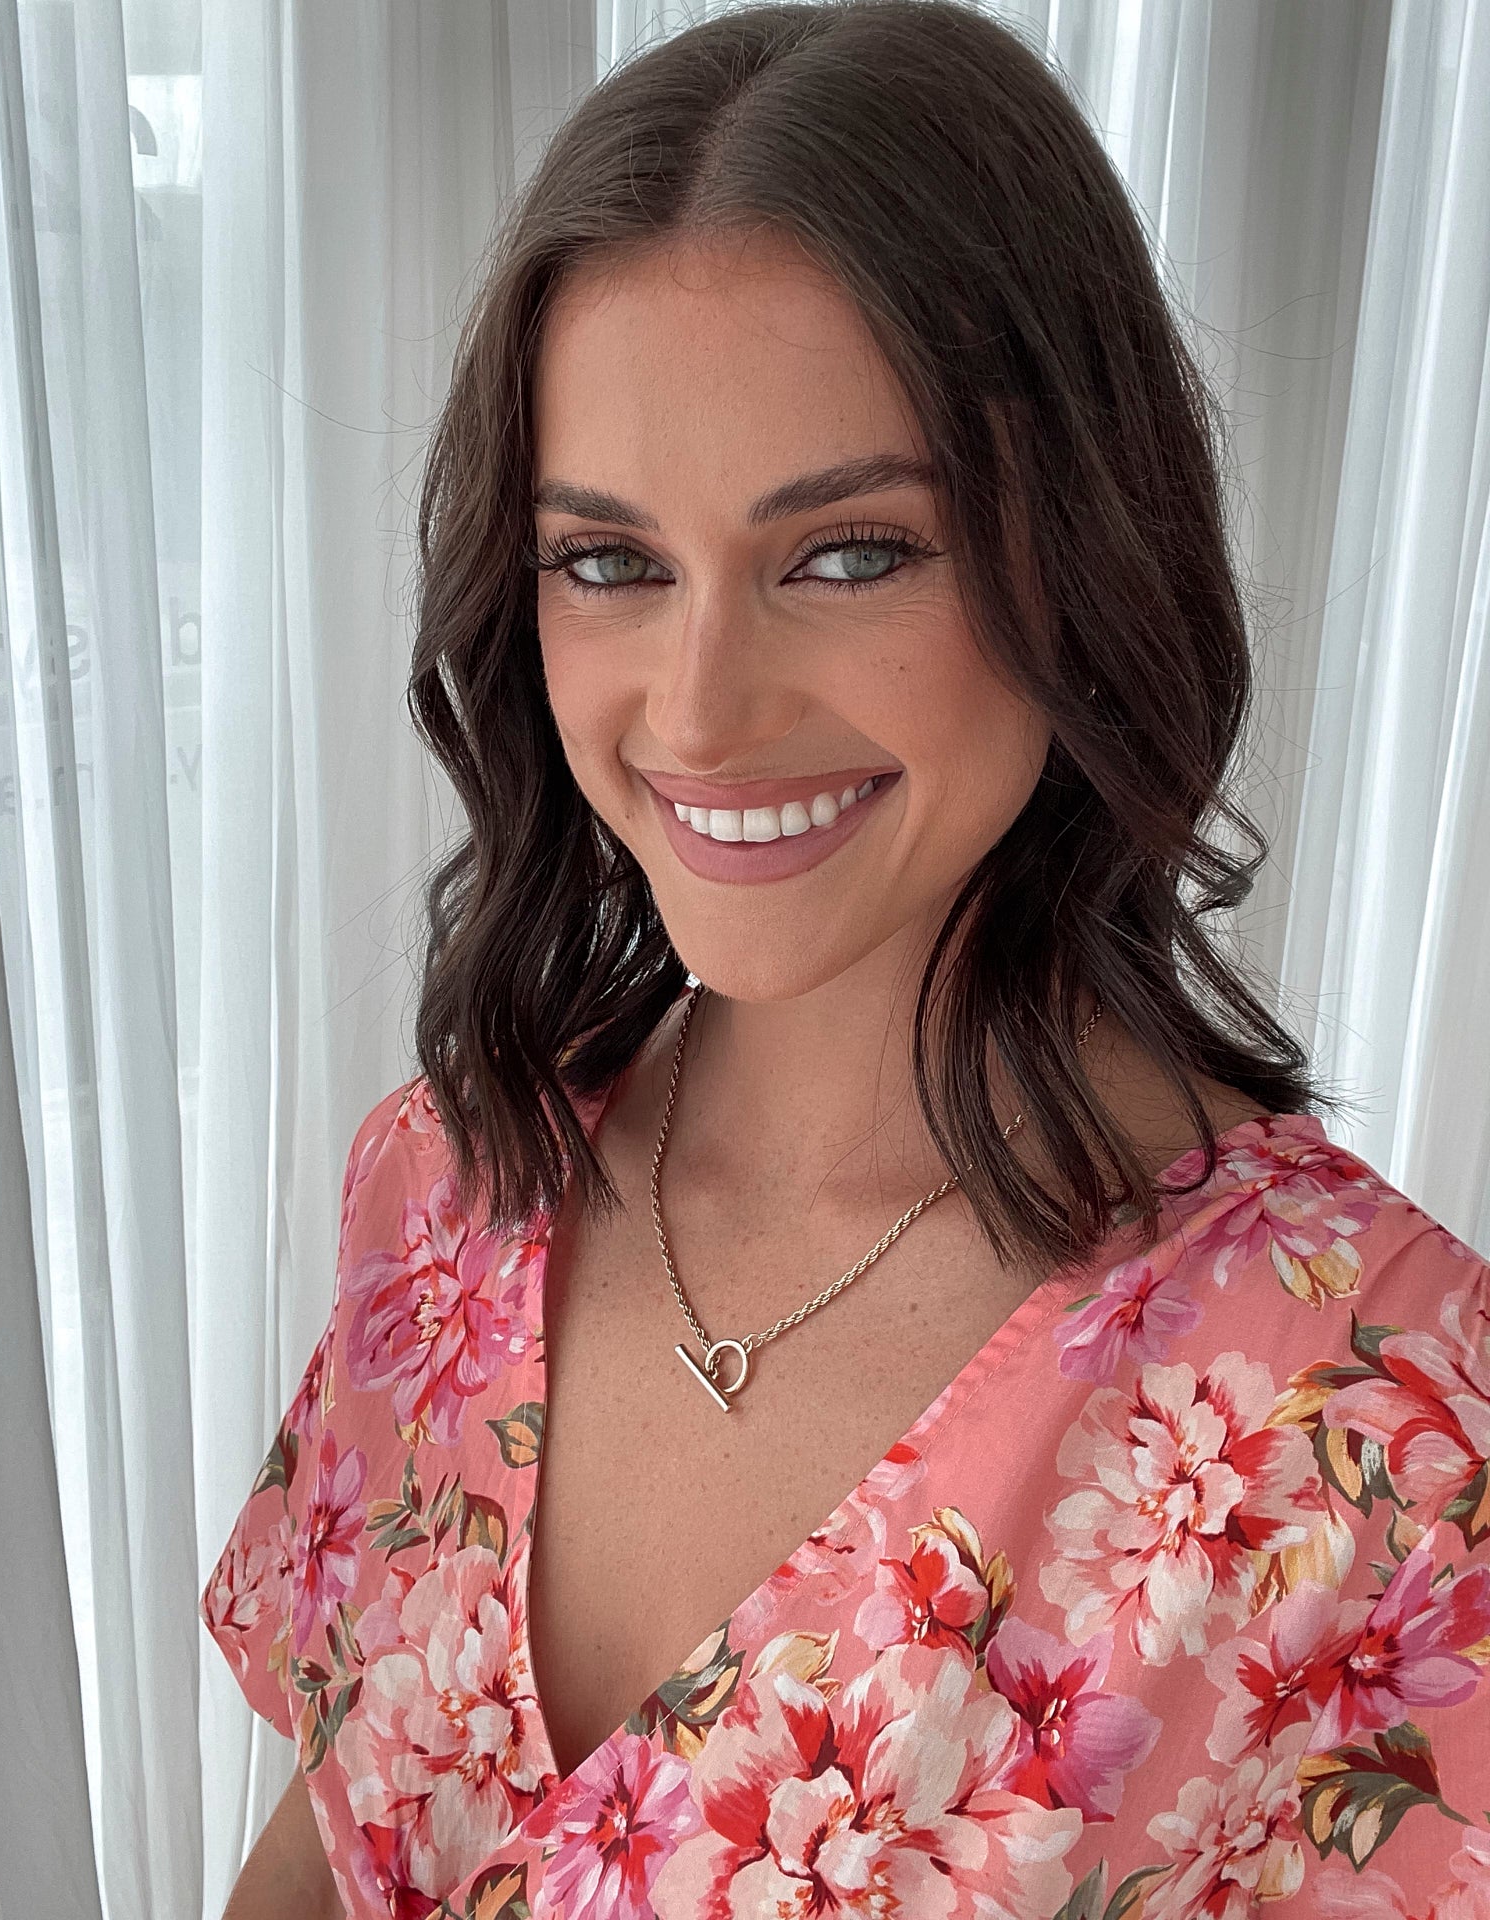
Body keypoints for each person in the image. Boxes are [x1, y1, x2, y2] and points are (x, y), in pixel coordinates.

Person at [202, 4, 1490, 1916]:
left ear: (1085, 551)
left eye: (850, 552)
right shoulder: (449, 1184)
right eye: (610, 561)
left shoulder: (1382, 1429)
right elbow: (332, 1838)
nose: (700, 712)